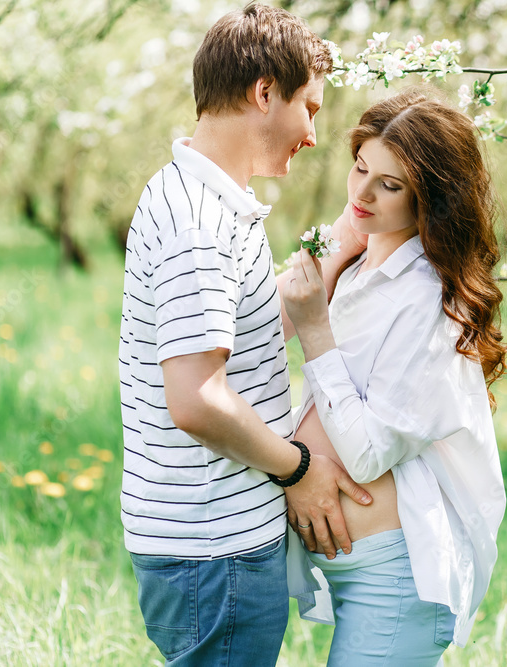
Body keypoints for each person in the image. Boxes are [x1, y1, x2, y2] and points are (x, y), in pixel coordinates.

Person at [118, 5, 371, 665]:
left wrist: (344, 240)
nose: (313, 133)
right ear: (264, 92)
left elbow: (248, 330)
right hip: (212, 549)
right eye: (309, 108)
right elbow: (197, 398)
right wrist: (301, 470)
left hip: (215, 544)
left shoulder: (208, 201)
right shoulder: (197, 224)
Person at [280, 90, 507, 665]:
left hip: (398, 577)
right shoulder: (361, 263)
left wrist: (316, 331)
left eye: (390, 185)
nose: (361, 193)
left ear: (431, 200)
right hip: (364, 571)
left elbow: (367, 454)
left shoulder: (428, 299)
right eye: (360, 167)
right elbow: (259, 329)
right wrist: (337, 251)